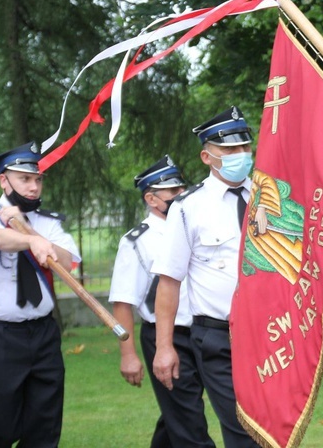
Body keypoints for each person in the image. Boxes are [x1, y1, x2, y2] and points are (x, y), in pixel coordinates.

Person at [151, 106, 323, 447]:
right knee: (245, 432)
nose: (240, 155)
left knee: (279, 427)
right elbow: (169, 281)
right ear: (207, 156)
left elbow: (296, 263)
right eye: (229, 149)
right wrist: (164, 346)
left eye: (244, 147)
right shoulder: (187, 207)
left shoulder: (274, 195)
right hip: (220, 338)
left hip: (274, 332)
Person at [0, 141, 81, 447]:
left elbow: (68, 261)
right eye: (24, 179)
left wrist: (32, 233)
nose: (33, 187)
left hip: (43, 333)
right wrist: (21, 234)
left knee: (44, 429)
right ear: (4, 181)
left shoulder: (48, 222)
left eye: (38, 179)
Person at [108, 155, 214, 448]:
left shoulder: (197, 226)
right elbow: (123, 301)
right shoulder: (137, 241)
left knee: (177, 416)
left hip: (206, 332)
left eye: (182, 188)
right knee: (189, 423)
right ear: (152, 199)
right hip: (167, 337)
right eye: (173, 191)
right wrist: (128, 354)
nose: (182, 195)